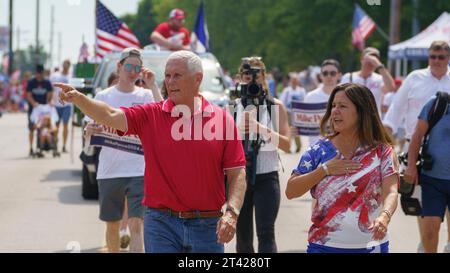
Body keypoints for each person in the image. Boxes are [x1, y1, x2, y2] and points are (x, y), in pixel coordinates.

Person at [56, 50, 247, 253]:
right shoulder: (151, 114)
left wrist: (232, 213)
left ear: (197, 79)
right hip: (161, 224)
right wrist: (78, 98)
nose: (170, 82)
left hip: (208, 226)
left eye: (177, 76)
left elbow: (237, 172)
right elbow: (110, 114)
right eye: (167, 75)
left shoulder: (222, 119)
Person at [286, 83, 399, 253]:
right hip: (323, 246)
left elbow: (391, 191)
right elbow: (291, 191)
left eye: (343, 106)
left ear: (361, 112)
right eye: (333, 106)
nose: (335, 111)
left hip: (371, 246)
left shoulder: (382, 151)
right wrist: (324, 170)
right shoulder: (319, 150)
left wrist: (385, 216)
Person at [83, 48, 163, 253]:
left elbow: (165, 116)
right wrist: (89, 130)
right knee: (112, 225)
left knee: (137, 225)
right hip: (110, 170)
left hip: (138, 170)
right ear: (119, 67)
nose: (133, 71)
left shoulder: (146, 95)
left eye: (137, 67)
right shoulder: (103, 96)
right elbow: (89, 129)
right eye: (129, 66)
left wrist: (153, 84)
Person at [383, 40, 450, 253]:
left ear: (448, 58)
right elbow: (396, 109)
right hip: (418, 150)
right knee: (424, 204)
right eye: (433, 56)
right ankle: (426, 242)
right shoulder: (415, 78)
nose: (436, 61)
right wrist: (385, 139)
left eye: (441, 57)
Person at [234, 57, 291, 253]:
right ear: (240, 78)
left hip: (267, 176)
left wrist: (261, 129)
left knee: (266, 233)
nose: (252, 81)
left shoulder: (275, 106)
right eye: (247, 76)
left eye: (256, 76)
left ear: (264, 77)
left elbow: (287, 144)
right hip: (240, 177)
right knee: (242, 236)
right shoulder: (233, 106)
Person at [404, 93, 450, 253]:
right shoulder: (436, 104)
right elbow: (417, 136)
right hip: (433, 179)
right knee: (429, 233)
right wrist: (410, 166)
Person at [341, 47, 395, 116]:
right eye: (369, 58)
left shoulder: (379, 79)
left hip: (374, 121)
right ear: (361, 59)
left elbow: (391, 88)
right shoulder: (349, 77)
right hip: (353, 120)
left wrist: (379, 66)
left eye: (374, 59)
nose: (371, 62)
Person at [304, 59, 342, 145]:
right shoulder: (310, 97)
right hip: (315, 148)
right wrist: (295, 130)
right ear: (320, 76)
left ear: (339, 75)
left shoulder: (346, 96)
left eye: (332, 73)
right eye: (325, 73)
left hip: (340, 148)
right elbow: (304, 124)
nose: (329, 76)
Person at [26, 64, 53, 156]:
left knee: (44, 127)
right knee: (32, 128)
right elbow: (28, 95)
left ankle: (42, 146)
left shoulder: (47, 82)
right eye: (38, 73)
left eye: (41, 73)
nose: (39, 75)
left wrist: (49, 102)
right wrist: (33, 103)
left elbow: (50, 94)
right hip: (33, 109)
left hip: (43, 110)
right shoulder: (31, 82)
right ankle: (31, 148)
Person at [279, 73, 306, 153]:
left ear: (297, 81)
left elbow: (304, 100)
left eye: (295, 80)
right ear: (290, 81)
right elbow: (282, 100)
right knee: (289, 130)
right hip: (289, 112)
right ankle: (288, 146)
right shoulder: (287, 90)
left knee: (297, 130)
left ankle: (298, 146)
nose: (294, 82)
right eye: (293, 80)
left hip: (298, 113)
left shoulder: (301, 90)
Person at [50, 59, 72, 153]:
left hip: (67, 105)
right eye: (64, 64)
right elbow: (50, 89)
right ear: (62, 65)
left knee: (66, 125)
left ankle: (64, 146)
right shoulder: (55, 76)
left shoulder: (71, 76)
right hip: (56, 104)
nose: (65, 66)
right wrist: (50, 99)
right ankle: (55, 145)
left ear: (69, 66)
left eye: (67, 65)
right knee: (56, 125)